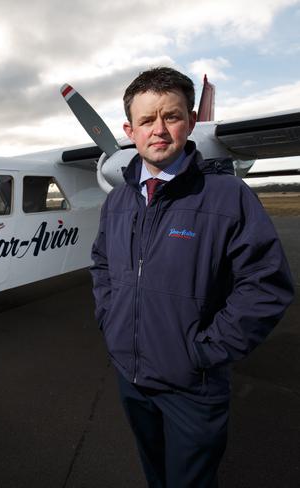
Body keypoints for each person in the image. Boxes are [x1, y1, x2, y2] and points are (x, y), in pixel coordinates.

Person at [89, 66, 294, 487]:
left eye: (172, 116)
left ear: (192, 122)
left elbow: (266, 285)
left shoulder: (229, 196)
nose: (158, 130)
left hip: (192, 387)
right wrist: (110, 319)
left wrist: (204, 352)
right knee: (156, 474)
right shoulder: (119, 201)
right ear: (129, 130)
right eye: (146, 120)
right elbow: (103, 265)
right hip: (131, 378)